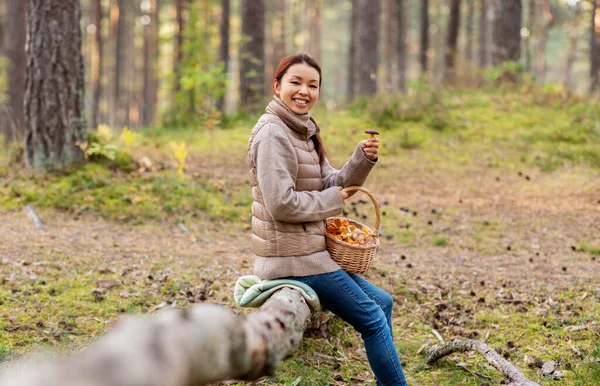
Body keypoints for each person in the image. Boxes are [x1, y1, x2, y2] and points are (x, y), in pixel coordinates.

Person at [247, 53, 408, 386]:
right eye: (295, 82)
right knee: (373, 319)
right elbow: (281, 204)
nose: (304, 91)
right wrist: (333, 200)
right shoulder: (272, 135)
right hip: (293, 259)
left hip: (311, 253)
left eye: (312, 85)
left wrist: (361, 160)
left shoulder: (303, 131)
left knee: (383, 302)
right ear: (277, 86)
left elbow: (330, 182)